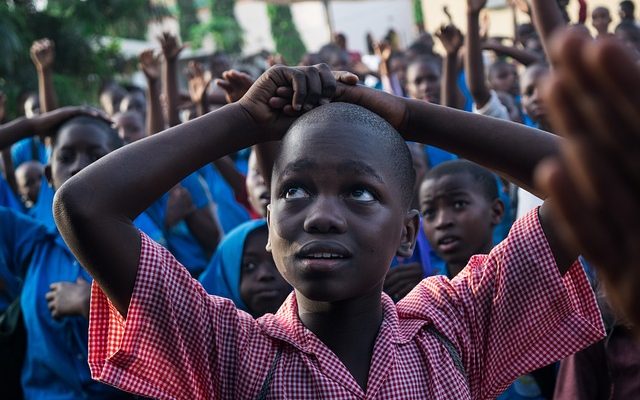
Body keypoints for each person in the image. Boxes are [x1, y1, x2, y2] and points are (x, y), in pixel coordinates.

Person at [55, 63, 603, 399]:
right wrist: (245, 122)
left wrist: (409, 115)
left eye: (360, 192)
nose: (320, 215)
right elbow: (84, 205)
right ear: (266, 226)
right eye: (293, 191)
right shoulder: (230, 352)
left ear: (409, 233)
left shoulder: (454, 332)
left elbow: (595, 177)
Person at [0, 108, 133, 399]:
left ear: (121, 168)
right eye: (65, 157)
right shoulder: (31, 240)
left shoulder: (142, 251)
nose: (78, 167)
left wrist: (93, 306)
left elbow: (173, 346)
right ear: (48, 175)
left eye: (96, 156)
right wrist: (31, 125)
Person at [199, 220, 291, 318]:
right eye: (249, 266)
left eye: (277, 262)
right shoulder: (208, 329)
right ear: (226, 275)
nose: (265, 274)